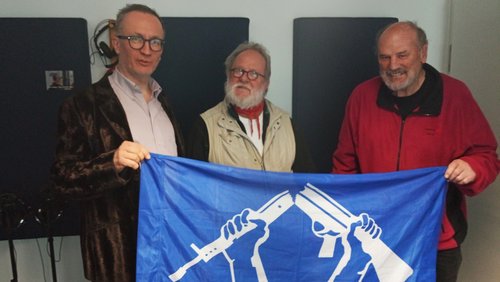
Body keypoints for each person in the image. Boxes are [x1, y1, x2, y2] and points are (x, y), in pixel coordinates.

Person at [332, 21, 498, 281]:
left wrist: (472, 167)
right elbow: (344, 166)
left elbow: (486, 154)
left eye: (402, 55)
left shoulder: (456, 95)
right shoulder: (362, 97)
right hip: (377, 235)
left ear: (423, 53)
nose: (393, 65)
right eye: (384, 57)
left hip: (436, 239)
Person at [50, 4, 184, 282]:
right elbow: (62, 180)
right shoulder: (82, 106)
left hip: (172, 249)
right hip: (119, 255)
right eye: (136, 39)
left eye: (155, 42)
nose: (147, 50)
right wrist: (110, 163)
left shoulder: (166, 105)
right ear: (116, 43)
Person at [187, 42, 314, 172]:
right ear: (228, 75)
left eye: (253, 74)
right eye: (238, 71)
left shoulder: (288, 124)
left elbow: (307, 182)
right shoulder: (205, 126)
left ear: (266, 83)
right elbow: (194, 186)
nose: (244, 79)